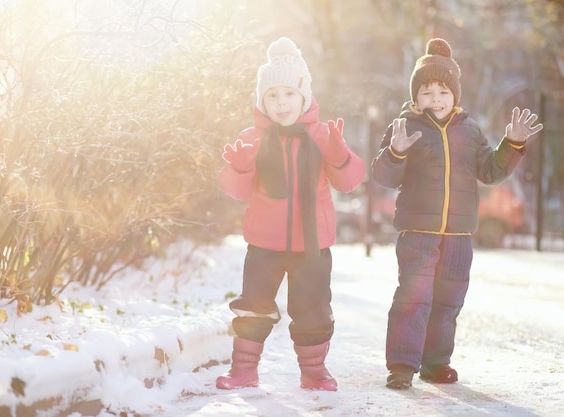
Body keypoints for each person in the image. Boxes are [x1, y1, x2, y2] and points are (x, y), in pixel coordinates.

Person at [371, 38, 543, 389]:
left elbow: (491, 171)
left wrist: (512, 144)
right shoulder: (405, 127)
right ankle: (402, 366)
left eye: (443, 91)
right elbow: (383, 176)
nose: (435, 98)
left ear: (455, 95)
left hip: (460, 234)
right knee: (414, 298)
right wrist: (396, 152)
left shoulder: (470, 129)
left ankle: (436, 364)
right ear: (415, 96)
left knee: (448, 301)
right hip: (418, 231)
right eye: (427, 91)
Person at [215, 37, 366, 391]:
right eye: (272, 95)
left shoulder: (322, 135)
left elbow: (349, 182)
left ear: (304, 96)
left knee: (312, 309)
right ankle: (243, 370)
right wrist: (238, 168)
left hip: (312, 245)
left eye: (288, 94)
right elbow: (236, 191)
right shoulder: (253, 137)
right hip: (264, 243)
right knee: (254, 306)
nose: (281, 103)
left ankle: (314, 371)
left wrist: (338, 154)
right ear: (262, 101)